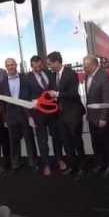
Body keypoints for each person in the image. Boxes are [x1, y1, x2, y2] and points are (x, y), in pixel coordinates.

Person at [46, 51, 86, 179]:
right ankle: (72, 166)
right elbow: (51, 93)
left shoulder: (71, 73)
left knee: (77, 142)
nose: (49, 66)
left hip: (73, 114)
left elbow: (73, 94)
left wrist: (57, 94)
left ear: (57, 62)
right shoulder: (53, 76)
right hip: (60, 115)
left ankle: (82, 167)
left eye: (50, 64)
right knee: (66, 143)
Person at [25, 55, 65, 176]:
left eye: (39, 65)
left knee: (57, 137)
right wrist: (29, 117)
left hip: (53, 112)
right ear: (31, 65)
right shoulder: (27, 78)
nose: (38, 67)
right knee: (42, 141)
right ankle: (46, 164)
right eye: (35, 66)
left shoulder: (49, 73)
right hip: (38, 114)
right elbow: (25, 98)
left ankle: (59, 159)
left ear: (42, 64)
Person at [0, 58, 38, 172]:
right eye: (8, 65)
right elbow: (2, 103)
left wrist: (31, 115)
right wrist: (4, 118)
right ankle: (15, 164)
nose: (10, 67)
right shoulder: (2, 84)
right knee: (13, 141)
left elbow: (31, 97)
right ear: (6, 67)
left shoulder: (25, 80)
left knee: (29, 140)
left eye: (12, 65)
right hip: (11, 116)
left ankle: (33, 162)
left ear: (16, 66)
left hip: (24, 114)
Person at [83, 55, 109, 178]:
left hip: (102, 118)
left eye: (86, 66)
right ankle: (100, 164)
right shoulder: (87, 76)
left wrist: (103, 118)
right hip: (92, 117)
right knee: (95, 143)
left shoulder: (104, 76)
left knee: (106, 143)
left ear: (94, 65)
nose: (84, 69)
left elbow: (107, 98)